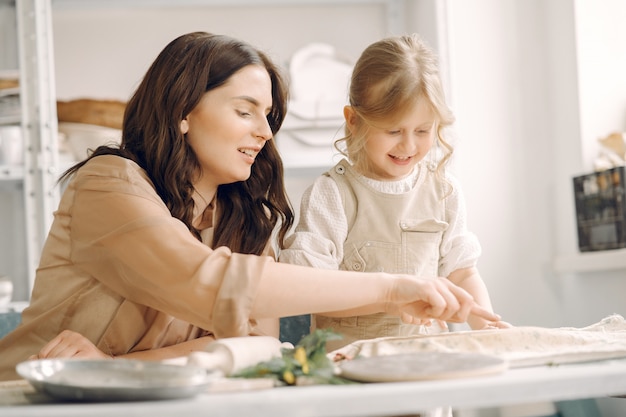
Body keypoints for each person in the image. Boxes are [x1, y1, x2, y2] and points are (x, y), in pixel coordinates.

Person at [0, 32, 500, 381]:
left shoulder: (243, 218)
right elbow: (206, 281)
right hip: (33, 397)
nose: (265, 131)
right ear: (182, 112)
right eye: (245, 111)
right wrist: (393, 288)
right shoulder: (108, 185)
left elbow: (259, 344)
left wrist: (114, 369)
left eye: (267, 115)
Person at [279, 34, 510, 352]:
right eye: (393, 131)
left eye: (422, 130)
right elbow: (311, 290)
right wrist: (391, 300)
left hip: (426, 366)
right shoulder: (331, 195)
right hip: (349, 374)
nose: (409, 146)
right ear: (354, 122)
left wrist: (488, 328)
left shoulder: (444, 192)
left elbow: (462, 271)